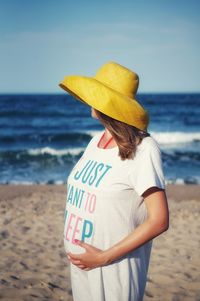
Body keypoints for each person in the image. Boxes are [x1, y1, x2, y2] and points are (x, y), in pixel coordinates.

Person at [59, 61, 169, 301]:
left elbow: (159, 220)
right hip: (83, 268)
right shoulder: (94, 142)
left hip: (114, 269)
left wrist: (104, 257)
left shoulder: (144, 148)